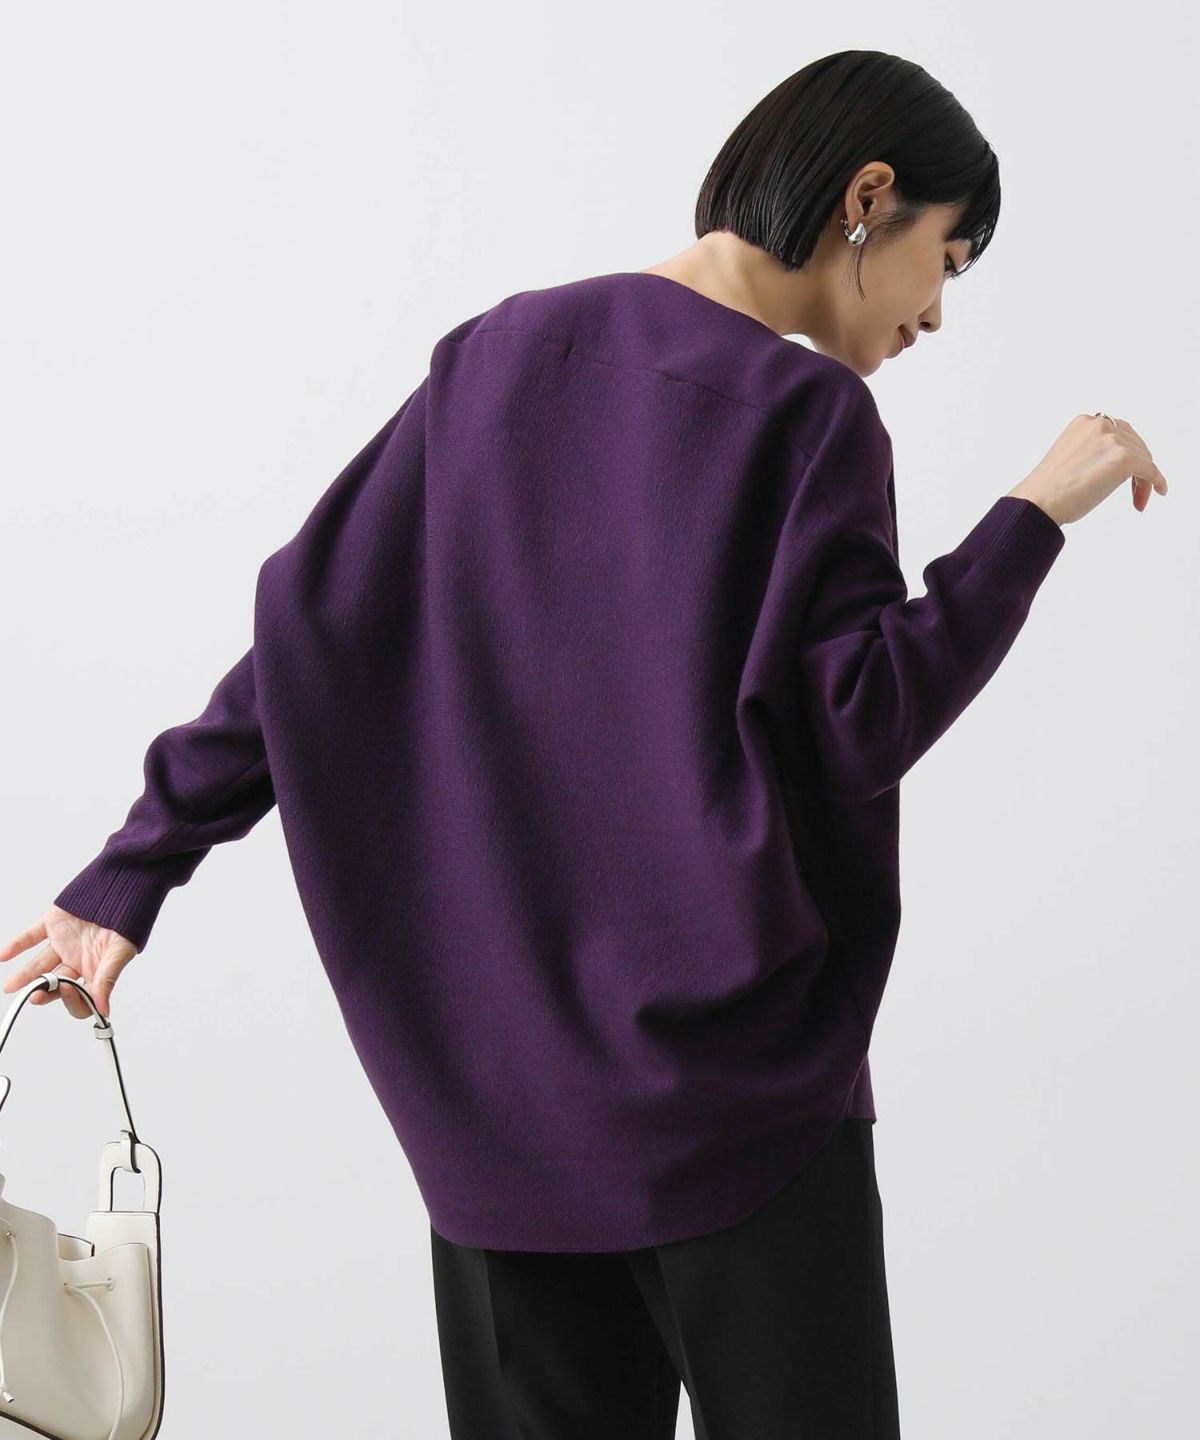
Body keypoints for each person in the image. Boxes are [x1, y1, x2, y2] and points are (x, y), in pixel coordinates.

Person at [0, 49, 1167, 1440]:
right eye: (948, 260)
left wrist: (132, 872)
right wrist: (1033, 516)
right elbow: (859, 721)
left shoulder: (496, 356)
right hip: (742, 1107)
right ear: (869, 197)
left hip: (496, 1118)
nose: (935, 312)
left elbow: (316, 642)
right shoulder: (809, 418)